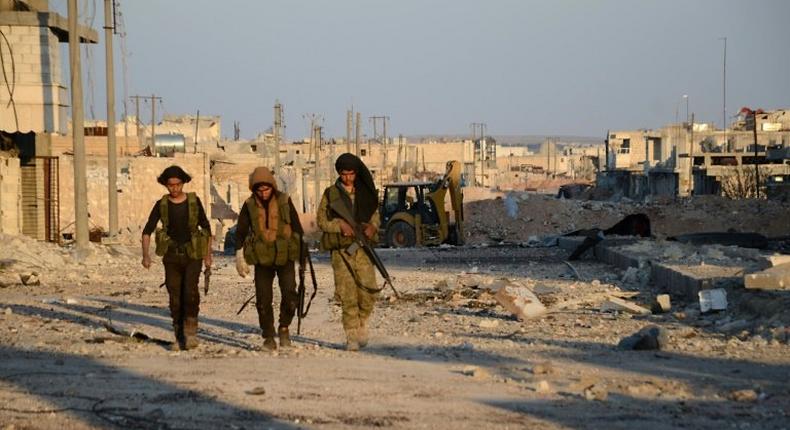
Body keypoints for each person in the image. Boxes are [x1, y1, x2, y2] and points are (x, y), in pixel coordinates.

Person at [141, 165, 212, 351]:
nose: (174, 188)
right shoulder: (161, 205)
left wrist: (208, 257)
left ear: (183, 183)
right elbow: (147, 231)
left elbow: (206, 229)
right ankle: (178, 334)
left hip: (193, 254)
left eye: (177, 184)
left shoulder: (194, 202)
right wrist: (146, 255)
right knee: (175, 296)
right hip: (171, 256)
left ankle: (190, 332)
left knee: (190, 292)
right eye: (170, 185)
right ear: (165, 185)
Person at [235, 167, 303, 350]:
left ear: (272, 187)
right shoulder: (249, 205)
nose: (263, 193)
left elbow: (297, 227)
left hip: (284, 256)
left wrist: (302, 257)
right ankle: (268, 336)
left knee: (290, 295)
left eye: (266, 189)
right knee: (263, 300)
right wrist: (239, 254)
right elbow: (241, 230)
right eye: (259, 190)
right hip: (262, 259)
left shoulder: (284, 200)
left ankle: (284, 327)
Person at [317, 153, 380, 351]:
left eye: (351, 174)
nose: (347, 178)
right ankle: (352, 334)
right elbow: (321, 221)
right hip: (342, 251)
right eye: (343, 174)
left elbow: (375, 215)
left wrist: (373, 227)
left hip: (362, 249)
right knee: (348, 294)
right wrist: (339, 225)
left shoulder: (365, 193)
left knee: (369, 290)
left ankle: (362, 322)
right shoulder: (330, 194)